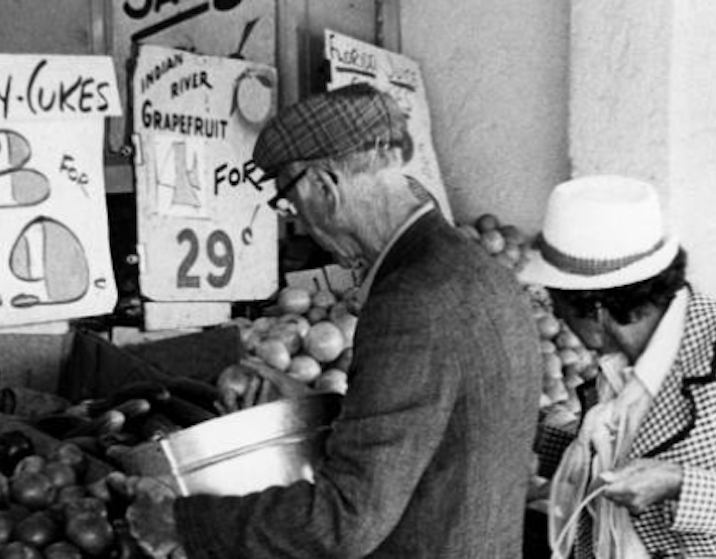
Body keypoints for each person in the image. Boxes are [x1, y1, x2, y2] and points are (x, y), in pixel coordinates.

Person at [121, 82, 544, 558]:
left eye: (288, 201)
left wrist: (184, 522)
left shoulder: (412, 299)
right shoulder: (473, 269)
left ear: (323, 185)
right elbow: (438, 437)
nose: (297, 219)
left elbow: (345, 521)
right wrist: (311, 405)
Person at [524, 175, 716, 558]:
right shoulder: (619, 368)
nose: (556, 314)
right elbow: (614, 453)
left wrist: (680, 484)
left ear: (595, 310)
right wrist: (529, 430)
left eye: (558, 303)